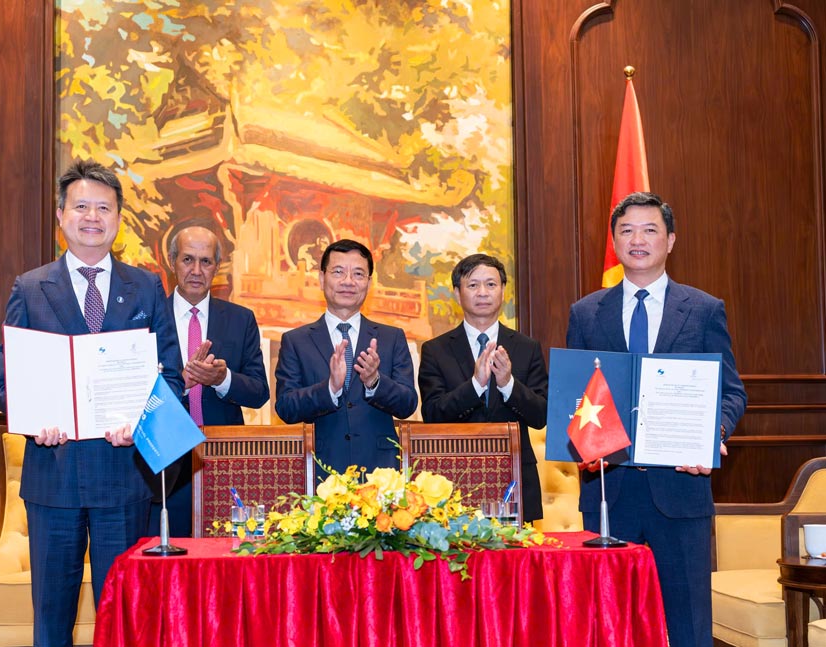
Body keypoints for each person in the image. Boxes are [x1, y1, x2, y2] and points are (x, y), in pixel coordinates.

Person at [0, 160, 182, 647]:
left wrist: (140, 422)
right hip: (53, 480)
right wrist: (35, 420)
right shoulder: (30, 288)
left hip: (123, 480)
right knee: (51, 623)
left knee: (124, 622)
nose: (92, 217)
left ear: (118, 219)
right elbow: (6, 383)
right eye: (81, 207)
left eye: (103, 208)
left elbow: (171, 377)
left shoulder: (146, 287)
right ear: (61, 215)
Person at [566, 191, 747, 647]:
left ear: (670, 240)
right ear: (614, 242)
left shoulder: (704, 309)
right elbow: (576, 397)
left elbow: (731, 392)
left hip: (681, 491)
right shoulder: (586, 313)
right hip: (609, 491)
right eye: (626, 231)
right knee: (606, 624)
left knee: (688, 626)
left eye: (650, 230)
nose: (638, 240)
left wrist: (712, 433)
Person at [151, 225, 269, 537]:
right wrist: (181, 383)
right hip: (165, 462)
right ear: (172, 262)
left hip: (224, 460)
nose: (196, 270)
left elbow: (260, 392)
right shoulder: (150, 318)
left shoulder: (240, 319)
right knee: (169, 556)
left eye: (206, 261)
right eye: (188, 259)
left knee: (228, 554)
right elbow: (134, 394)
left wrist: (222, 379)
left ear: (217, 267)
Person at [417, 253, 548, 521]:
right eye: (473, 285)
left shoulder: (527, 347)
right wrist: (476, 385)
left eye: (491, 284)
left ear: (503, 291)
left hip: (515, 478)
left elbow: (541, 415)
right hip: (455, 478)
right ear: (457, 293)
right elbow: (432, 415)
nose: (483, 292)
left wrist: (508, 384)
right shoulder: (435, 350)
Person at [275, 238, 418, 476]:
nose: (348, 281)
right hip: (321, 470)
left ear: (369, 282)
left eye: (358, 274)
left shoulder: (392, 338)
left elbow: (408, 404)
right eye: (338, 272)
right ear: (322, 278)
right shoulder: (296, 341)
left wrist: (375, 382)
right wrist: (330, 388)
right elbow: (286, 408)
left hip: (380, 472)